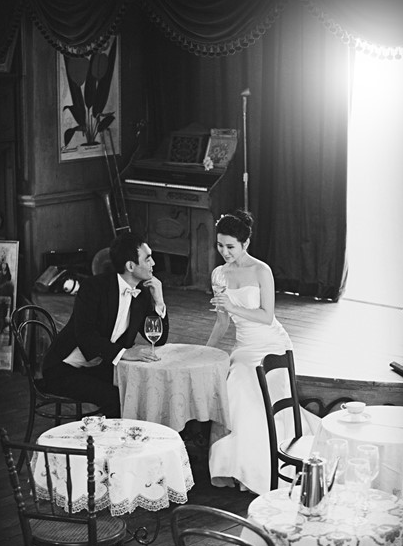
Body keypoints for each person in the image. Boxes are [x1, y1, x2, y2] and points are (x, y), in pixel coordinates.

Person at [206, 210, 319, 494]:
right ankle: (237, 467)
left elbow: (267, 316)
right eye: (219, 245)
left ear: (245, 243)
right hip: (244, 346)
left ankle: (266, 465)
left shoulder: (261, 271)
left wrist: (232, 306)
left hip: (271, 344)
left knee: (244, 388)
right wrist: (204, 352)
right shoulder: (218, 274)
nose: (224, 252)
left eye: (230, 246)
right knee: (235, 387)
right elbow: (222, 322)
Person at [43, 232, 169, 418]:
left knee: (140, 389)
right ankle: (107, 436)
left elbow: (158, 339)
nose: (153, 263)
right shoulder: (93, 288)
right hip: (63, 369)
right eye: (148, 258)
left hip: (100, 367)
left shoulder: (141, 294)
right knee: (115, 398)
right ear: (130, 266)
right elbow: (85, 336)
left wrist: (159, 301)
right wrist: (124, 353)